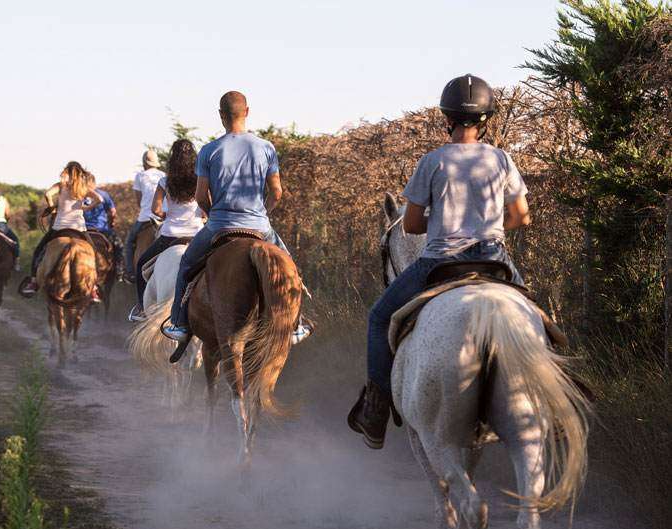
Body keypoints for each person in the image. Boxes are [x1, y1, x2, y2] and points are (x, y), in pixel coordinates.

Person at [349, 74, 531, 450]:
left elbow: (412, 224)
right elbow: (521, 216)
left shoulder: (432, 162)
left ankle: (376, 411)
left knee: (380, 318)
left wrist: (445, 218)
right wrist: (489, 224)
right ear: (486, 120)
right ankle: (551, 399)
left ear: (446, 118)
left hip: (439, 263)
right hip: (494, 259)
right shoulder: (501, 159)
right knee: (536, 317)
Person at [162, 91, 311, 345]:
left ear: (221, 116)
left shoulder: (209, 150)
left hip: (220, 225)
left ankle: (179, 323)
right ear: (248, 112)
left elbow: (199, 197)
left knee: (187, 264)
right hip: (259, 226)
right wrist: (262, 212)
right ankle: (296, 324)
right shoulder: (266, 148)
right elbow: (276, 192)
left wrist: (212, 214)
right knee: (291, 269)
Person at [128, 139, 205, 322]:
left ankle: (141, 308)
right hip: (197, 235)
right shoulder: (200, 179)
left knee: (140, 266)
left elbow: (155, 210)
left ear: (172, 159)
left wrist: (166, 214)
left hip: (170, 236)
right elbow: (205, 204)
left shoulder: (165, 181)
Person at [19, 161, 104, 299]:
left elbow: (47, 194)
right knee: (94, 254)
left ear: (67, 172)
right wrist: (86, 208)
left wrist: (52, 208)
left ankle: (34, 282)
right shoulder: (83, 187)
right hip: (79, 228)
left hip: (59, 227)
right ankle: (93, 288)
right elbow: (99, 199)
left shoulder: (61, 186)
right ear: (80, 173)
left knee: (39, 251)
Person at [124, 149, 165, 282]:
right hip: (162, 217)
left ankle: (130, 273)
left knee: (129, 243)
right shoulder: (164, 175)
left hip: (145, 217)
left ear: (144, 163)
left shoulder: (140, 176)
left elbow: (139, 201)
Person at [82, 172, 124, 273]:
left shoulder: (79, 195)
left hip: (81, 230)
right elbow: (113, 212)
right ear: (93, 182)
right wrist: (111, 222)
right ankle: (119, 269)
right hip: (101, 229)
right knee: (119, 246)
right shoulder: (103, 195)